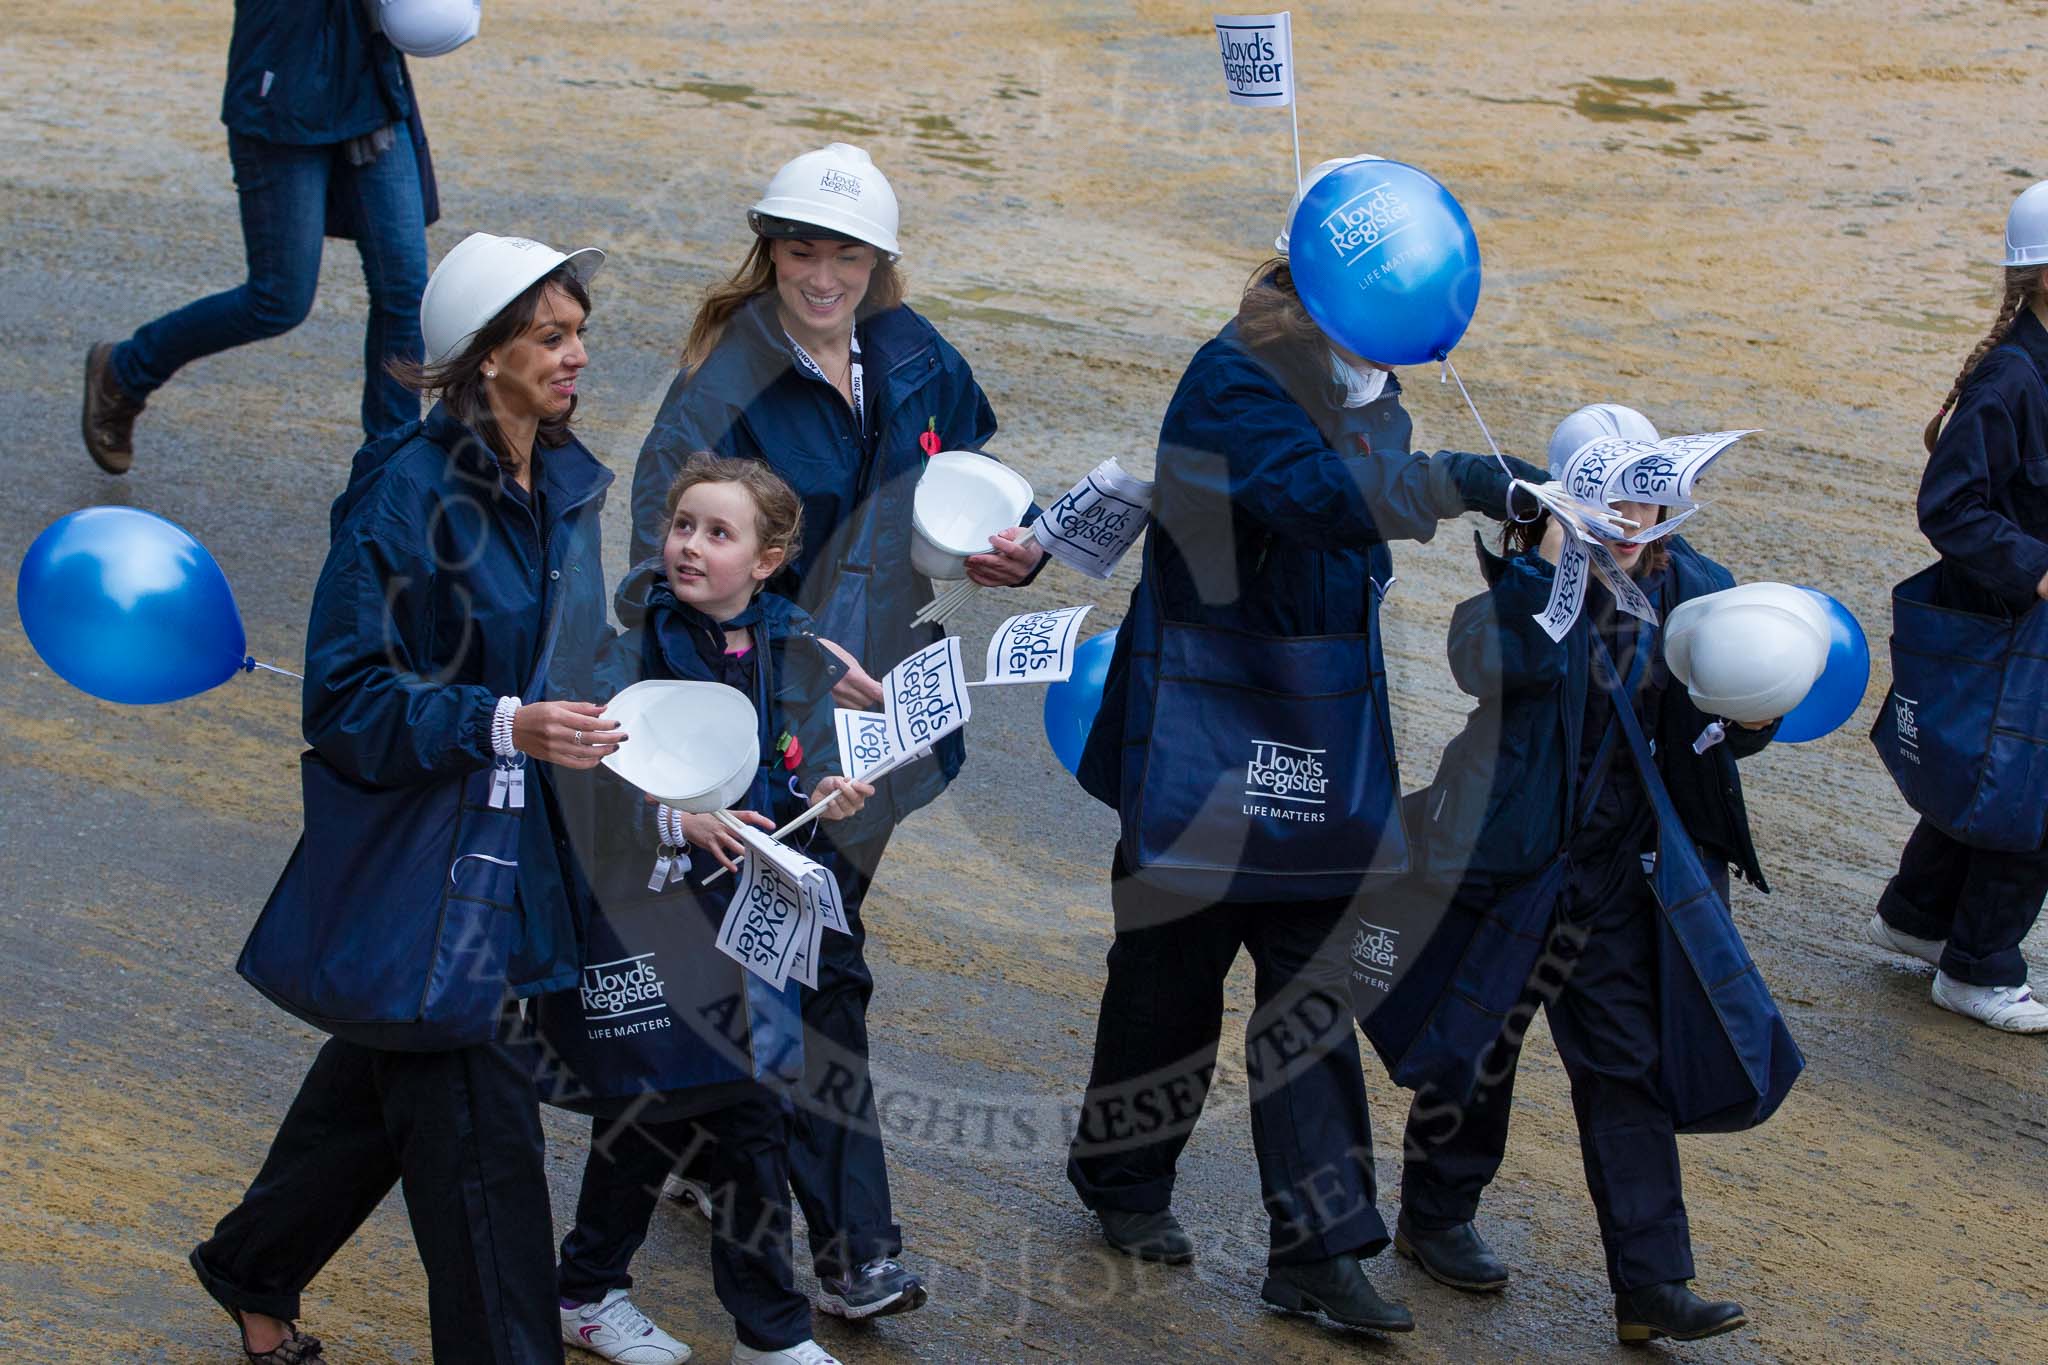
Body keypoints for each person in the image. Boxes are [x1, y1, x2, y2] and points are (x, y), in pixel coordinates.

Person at [1065, 193, 1546, 1333]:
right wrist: (1458, 480)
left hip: (1320, 711)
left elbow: (1361, 516)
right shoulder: (1229, 378)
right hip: (1205, 709)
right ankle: (1123, 1180)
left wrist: (1495, 500)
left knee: (1312, 985)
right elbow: (1315, 497)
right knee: (1167, 979)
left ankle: (1317, 1249)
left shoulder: (1374, 379)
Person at [630, 142, 1041, 1320]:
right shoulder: (725, 382)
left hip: (882, 716)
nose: (821, 272)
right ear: (770, 249)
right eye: (801, 248)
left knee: (780, 949)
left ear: (879, 259)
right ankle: (855, 1248)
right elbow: (662, 572)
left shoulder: (917, 357)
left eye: (844, 250)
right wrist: (707, 734)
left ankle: (705, 1147)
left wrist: (1009, 553)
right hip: (762, 714)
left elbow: (970, 491)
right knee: (822, 962)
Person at [189, 233, 613, 1365]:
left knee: (393, 1054)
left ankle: (252, 1268)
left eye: (578, 332)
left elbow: (577, 654)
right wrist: (499, 722)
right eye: (550, 336)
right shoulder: (405, 496)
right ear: (483, 359)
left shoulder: (557, 476)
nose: (577, 356)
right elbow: (344, 698)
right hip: (442, 873)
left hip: (517, 856)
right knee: (485, 1169)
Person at [1395, 406, 1773, 1345]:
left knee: (1626, 1066)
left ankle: (1651, 1283)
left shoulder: (1702, 587)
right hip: (1515, 858)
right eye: (1613, 497)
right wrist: (1541, 560)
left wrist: (1754, 707)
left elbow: (1718, 729)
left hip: (1621, 872)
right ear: (1573, 496)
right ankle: (1435, 1215)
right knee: (1482, 1042)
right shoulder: (1532, 579)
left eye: (1649, 493)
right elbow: (1479, 659)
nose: (1636, 516)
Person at [548, 454, 871, 1365]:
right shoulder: (630, 649)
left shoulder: (786, 648)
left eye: (717, 532)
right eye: (682, 524)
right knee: (697, 1112)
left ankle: (595, 1288)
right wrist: (672, 818)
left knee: (694, 1112)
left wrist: (826, 790)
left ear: (766, 560)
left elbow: (786, 765)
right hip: (653, 920)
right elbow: (583, 780)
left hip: (748, 922)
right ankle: (758, 1332)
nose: (690, 545)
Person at [81, 0, 441, 473]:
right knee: (278, 301)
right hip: (281, 92)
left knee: (405, 290)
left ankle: (388, 466)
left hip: (369, 90)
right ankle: (125, 371)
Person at [1868, 181, 2048, 1034]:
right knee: (2032, 796)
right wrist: (2037, 571)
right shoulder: (2012, 378)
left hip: (2018, 626)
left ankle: (1917, 915)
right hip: (2014, 626)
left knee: (1994, 779)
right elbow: (1948, 504)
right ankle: (1977, 969)